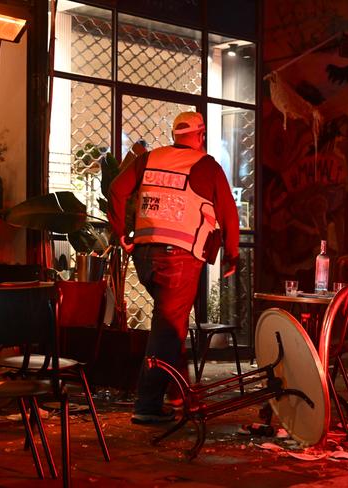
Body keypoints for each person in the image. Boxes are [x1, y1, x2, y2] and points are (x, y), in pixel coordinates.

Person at [108, 111, 240, 424]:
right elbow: (229, 213)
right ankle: (147, 404)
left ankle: (180, 395)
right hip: (179, 258)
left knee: (172, 324)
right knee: (167, 329)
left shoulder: (150, 159)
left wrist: (120, 233)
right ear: (200, 135)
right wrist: (233, 255)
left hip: (144, 257)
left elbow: (116, 189)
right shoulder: (206, 164)